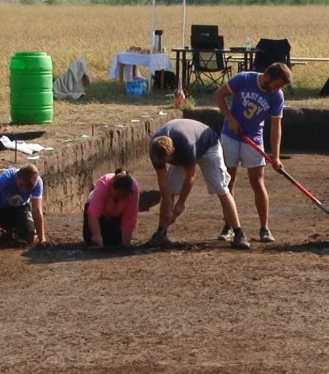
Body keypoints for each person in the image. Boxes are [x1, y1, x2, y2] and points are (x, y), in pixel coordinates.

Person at [214, 62, 292, 243]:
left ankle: (265, 228)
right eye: (276, 85)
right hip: (230, 136)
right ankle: (229, 226)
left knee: (257, 182)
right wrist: (230, 118)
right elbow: (219, 95)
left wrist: (276, 156)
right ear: (268, 77)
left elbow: (276, 126)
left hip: (254, 140)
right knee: (228, 182)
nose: (277, 90)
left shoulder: (277, 96)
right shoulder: (243, 79)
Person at [147, 118, 250, 249]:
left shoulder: (186, 146)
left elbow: (190, 177)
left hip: (208, 144)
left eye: (168, 161)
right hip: (184, 144)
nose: (166, 164)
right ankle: (161, 232)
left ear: (173, 152)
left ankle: (239, 233)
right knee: (170, 189)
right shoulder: (155, 149)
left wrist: (181, 203)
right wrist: (168, 207)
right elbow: (163, 180)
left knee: (221, 187)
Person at [83, 169, 139, 248]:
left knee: (117, 242)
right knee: (91, 239)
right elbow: (93, 213)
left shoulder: (134, 190)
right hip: (100, 215)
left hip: (116, 216)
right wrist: (97, 236)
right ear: (112, 187)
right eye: (117, 194)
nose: (120, 198)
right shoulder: (103, 184)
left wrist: (126, 245)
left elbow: (130, 217)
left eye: (123, 196)